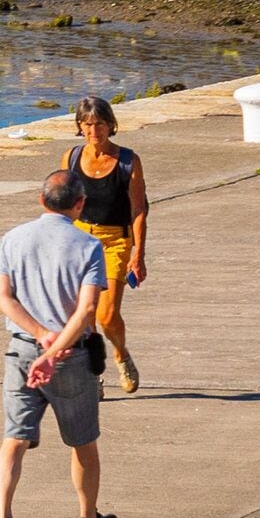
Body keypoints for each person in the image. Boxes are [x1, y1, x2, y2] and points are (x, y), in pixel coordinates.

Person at [0, 169, 119, 518]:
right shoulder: (88, 245)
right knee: (83, 442)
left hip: (21, 350)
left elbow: (2, 297)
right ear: (79, 204)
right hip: (71, 356)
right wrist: (56, 345)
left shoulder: (12, 239)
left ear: (41, 200)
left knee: (14, 439)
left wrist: (39, 335)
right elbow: (87, 309)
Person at [61, 96, 149, 395]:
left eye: (99, 124)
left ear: (111, 125)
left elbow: (138, 209)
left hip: (115, 241)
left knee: (107, 314)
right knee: (84, 315)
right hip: (80, 239)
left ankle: (121, 353)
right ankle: (93, 374)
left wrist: (139, 253)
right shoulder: (71, 158)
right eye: (86, 124)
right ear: (79, 127)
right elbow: (64, 204)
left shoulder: (127, 161)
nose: (93, 130)